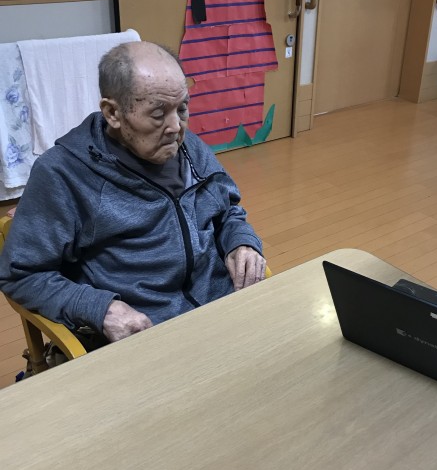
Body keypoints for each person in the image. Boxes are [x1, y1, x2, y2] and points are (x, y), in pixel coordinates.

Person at [0, 41, 266, 346]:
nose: (176, 127)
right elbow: (20, 274)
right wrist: (101, 309)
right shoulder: (62, 174)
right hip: (148, 332)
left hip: (223, 307)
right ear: (113, 112)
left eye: (182, 108)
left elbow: (228, 210)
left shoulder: (186, 145)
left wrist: (241, 242)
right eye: (158, 113)